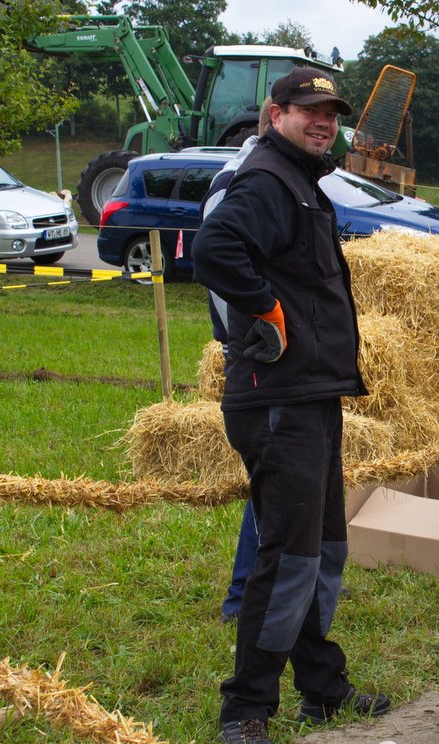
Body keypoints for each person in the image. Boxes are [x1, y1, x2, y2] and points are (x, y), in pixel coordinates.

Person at [193, 67, 389, 744]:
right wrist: (266, 310)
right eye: (308, 111)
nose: (322, 122)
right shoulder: (270, 181)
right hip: (275, 398)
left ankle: (322, 685)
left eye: (331, 113)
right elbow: (214, 250)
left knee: (322, 548)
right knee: (287, 557)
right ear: (274, 114)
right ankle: (246, 708)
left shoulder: (301, 183)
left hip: (310, 393)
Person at [202, 99, 270, 625]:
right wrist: (259, 329)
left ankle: (253, 594)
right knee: (271, 478)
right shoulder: (239, 180)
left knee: (275, 482)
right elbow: (219, 262)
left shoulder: (273, 175)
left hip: (267, 352)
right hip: (257, 354)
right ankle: (243, 597)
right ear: (275, 119)